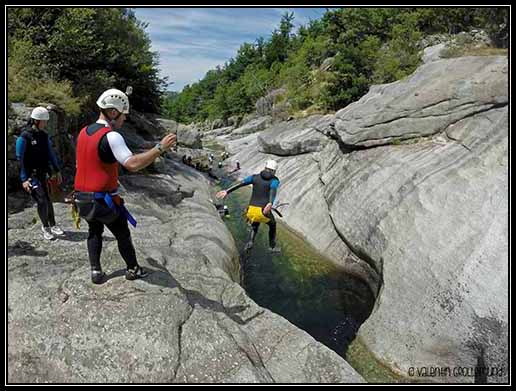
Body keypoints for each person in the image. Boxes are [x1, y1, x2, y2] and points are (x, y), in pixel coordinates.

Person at [74, 88, 176, 284]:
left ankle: (96, 271)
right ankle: (133, 269)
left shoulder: (83, 132)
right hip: (102, 201)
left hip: (82, 199)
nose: (124, 120)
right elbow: (132, 164)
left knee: (94, 231)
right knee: (122, 232)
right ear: (113, 112)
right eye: (123, 116)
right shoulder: (111, 136)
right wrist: (160, 148)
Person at [16, 107, 65, 240]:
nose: (45, 124)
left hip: (43, 173)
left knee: (48, 199)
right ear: (36, 120)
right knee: (41, 200)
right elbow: (20, 159)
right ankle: (45, 227)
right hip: (31, 175)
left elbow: (50, 154)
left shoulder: (43, 136)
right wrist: (24, 179)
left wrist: (57, 170)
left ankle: (53, 225)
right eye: (44, 121)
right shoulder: (24, 137)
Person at [216, 159, 280, 253]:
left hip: (250, 211)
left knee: (255, 224)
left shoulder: (254, 177)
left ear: (265, 167)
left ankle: (250, 242)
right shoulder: (274, 180)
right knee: (273, 224)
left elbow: (241, 184)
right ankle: (272, 247)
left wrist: (227, 191)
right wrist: (270, 203)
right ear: (274, 171)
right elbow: (273, 191)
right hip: (263, 211)